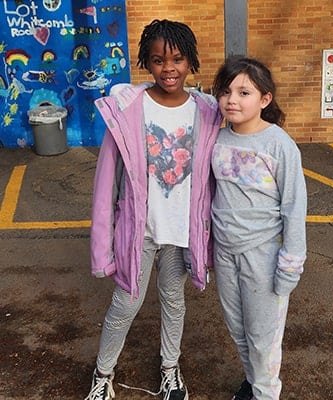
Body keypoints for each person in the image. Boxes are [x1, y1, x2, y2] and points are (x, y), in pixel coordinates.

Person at [85, 19, 222, 400]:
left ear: (190, 61)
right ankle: (103, 373)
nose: (169, 69)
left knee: (174, 302)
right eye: (159, 60)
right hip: (139, 232)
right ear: (147, 61)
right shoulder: (127, 110)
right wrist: (103, 246)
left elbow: (216, 176)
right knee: (125, 303)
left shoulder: (207, 112)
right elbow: (105, 183)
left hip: (182, 233)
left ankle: (169, 369)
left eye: (178, 59)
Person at [210, 57, 307, 400]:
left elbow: (294, 208)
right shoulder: (218, 140)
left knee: (264, 336)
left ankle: (266, 392)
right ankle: (254, 382)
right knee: (238, 329)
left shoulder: (279, 145)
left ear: (265, 99)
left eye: (243, 92)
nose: (231, 99)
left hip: (263, 257)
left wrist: (290, 266)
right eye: (225, 91)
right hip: (224, 253)